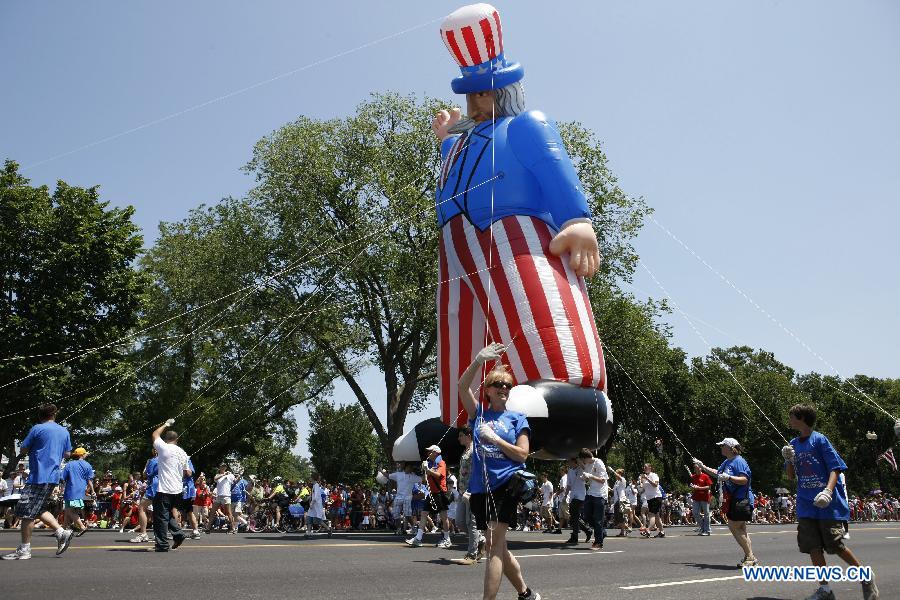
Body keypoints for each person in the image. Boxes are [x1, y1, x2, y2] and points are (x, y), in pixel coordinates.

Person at [459, 343, 540, 600]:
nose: (504, 389)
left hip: (506, 485)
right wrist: (477, 361)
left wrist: (495, 439)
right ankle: (526, 594)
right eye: (498, 385)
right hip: (481, 488)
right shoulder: (478, 414)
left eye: (507, 385)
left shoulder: (517, 419)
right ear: (488, 390)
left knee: (493, 545)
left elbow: (522, 454)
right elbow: (462, 388)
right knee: (501, 548)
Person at [784, 405, 879, 600]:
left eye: (792, 416)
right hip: (805, 503)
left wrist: (828, 491)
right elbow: (791, 477)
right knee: (812, 547)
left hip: (826, 503)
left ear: (802, 418)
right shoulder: (793, 443)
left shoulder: (819, 440)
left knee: (834, 545)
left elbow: (835, 468)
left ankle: (865, 577)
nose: (790, 419)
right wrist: (789, 460)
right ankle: (825, 590)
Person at [2, 404, 74, 560]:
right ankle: (62, 532)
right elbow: (68, 453)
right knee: (37, 508)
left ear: (40, 416)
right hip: (54, 476)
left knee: (26, 512)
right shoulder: (64, 431)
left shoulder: (37, 429)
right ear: (54, 415)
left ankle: (24, 550)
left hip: (39, 475)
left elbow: (23, 449)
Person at [694, 438, 758, 567]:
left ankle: (751, 557)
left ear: (730, 448)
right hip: (735, 499)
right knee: (741, 528)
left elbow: (744, 480)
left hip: (742, 499)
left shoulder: (739, 461)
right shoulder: (727, 462)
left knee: (734, 526)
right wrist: (702, 466)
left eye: (723, 445)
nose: (721, 447)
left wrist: (729, 477)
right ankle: (749, 557)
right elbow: (717, 473)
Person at [150, 419, 189, 552]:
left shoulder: (164, 447)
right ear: (177, 439)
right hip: (178, 490)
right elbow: (187, 472)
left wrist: (166, 424)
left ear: (166, 439)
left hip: (165, 488)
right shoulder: (183, 453)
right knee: (169, 515)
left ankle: (162, 545)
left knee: (160, 517)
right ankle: (178, 534)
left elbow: (155, 434)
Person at [455, 426, 485, 564]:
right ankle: (481, 540)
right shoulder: (465, 451)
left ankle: (472, 554)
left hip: (472, 491)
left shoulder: (474, 450)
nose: (459, 438)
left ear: (468, 435)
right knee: (460, 522)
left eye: (461, 435)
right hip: (462, 491)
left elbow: (479, 472)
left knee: (471, 523)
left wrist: (472, 490)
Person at [578, 448, 608, 550]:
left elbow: (603, 480)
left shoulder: (599, 463)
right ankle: (602, 532)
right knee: (586, 516)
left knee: (598, 519)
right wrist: (585, 477)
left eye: (583, 460)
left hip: (600, 494)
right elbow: (587, 478)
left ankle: (598, 542)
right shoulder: (587, 464)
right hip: (591, 493)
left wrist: (590, 476)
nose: (583, 462)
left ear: (586, 458)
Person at [62, 447, 95, 537]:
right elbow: (89, 480)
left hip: (71, 490)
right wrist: (93, 491)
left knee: (69, 511)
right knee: (69, 511)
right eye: (85, 454)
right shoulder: (87, 465)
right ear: (81, 455)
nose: (85, 455)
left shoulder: (69, 464)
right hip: (80, 491)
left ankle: (82, 527)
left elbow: (62, 478)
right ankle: (62, 530)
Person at [129, 451, 157, 543]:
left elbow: (145, 474)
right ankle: (162, 534)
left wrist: (146, 465)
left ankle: (143, 534)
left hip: (154, 486)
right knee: (161, 511)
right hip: (165, 487)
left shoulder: (152, 461)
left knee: (141, 508)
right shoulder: (167, 459)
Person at [563, 457, 592, 545]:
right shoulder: (569, 471)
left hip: (580, 495)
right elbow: (568, 485)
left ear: (574, 461)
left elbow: (585, 468)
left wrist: (579, 459)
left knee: (574, 516)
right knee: (573, 516)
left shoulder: (580, 468)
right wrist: (565, 496)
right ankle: (587, 530)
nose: (568, 463)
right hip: (573, 495)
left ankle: (575, 536)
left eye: (569, 461)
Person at [639, 463, 664, 538]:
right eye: (644, 467)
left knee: (651, 514)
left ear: (650, 468)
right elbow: (644, 489)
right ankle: (662, 531)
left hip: (656, 497)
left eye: (646, 467)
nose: (644, 468)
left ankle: (648, 530)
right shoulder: (644, 477)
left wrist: (647, 479)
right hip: (649, 498)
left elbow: (655, 485)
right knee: (656, 516)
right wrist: (640, 489)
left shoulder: (654, 475)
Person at [208, 465, 235, 534]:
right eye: (222, 467)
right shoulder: (218, 475)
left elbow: (234, 480)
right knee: (212, 512)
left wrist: (231, 474)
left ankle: (233, 528)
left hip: (226, 496)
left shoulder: (230, 475)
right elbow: (215, 478)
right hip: (219, 496)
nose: (223, 468)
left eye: (224, 467)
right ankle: (208, 528)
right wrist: (223, 474)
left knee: (229, 513)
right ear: (219, 468)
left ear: (226, 468)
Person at [689, 461, 714, 536]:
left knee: (706, 514)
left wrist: (699, 488)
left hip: (705, 497)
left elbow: (709, 487)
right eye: (695, 468)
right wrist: (692, 487)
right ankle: (703, 528)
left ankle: (707, 530)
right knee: (695, 513)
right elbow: (692, 485)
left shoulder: (705, 476)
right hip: (696, 497)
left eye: (697, 468)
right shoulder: (693, 477)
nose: (696, 469)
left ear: (700, 468)